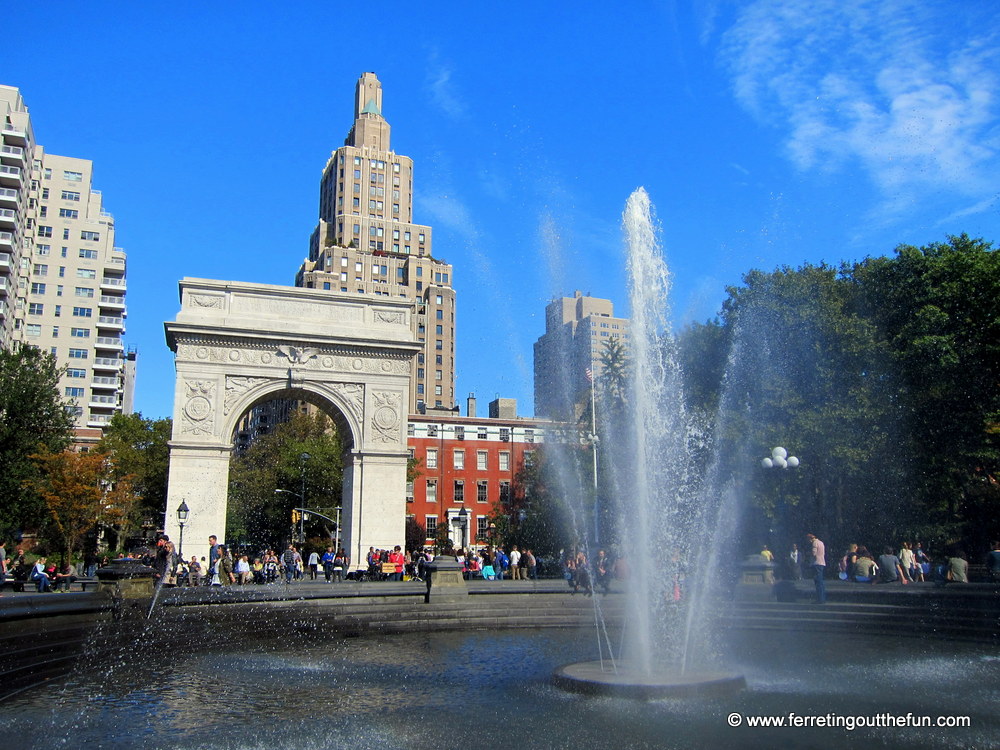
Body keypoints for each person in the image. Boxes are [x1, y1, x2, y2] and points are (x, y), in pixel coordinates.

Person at [806, 533, 826, 603]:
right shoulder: (821, 542)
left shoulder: (814, 543)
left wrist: (808, 553)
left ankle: (819, 599)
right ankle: (822, 598)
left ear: (810, 539)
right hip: (822, 563)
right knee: (821, 582)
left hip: (816, 563)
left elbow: (814, 553)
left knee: (818, 582)